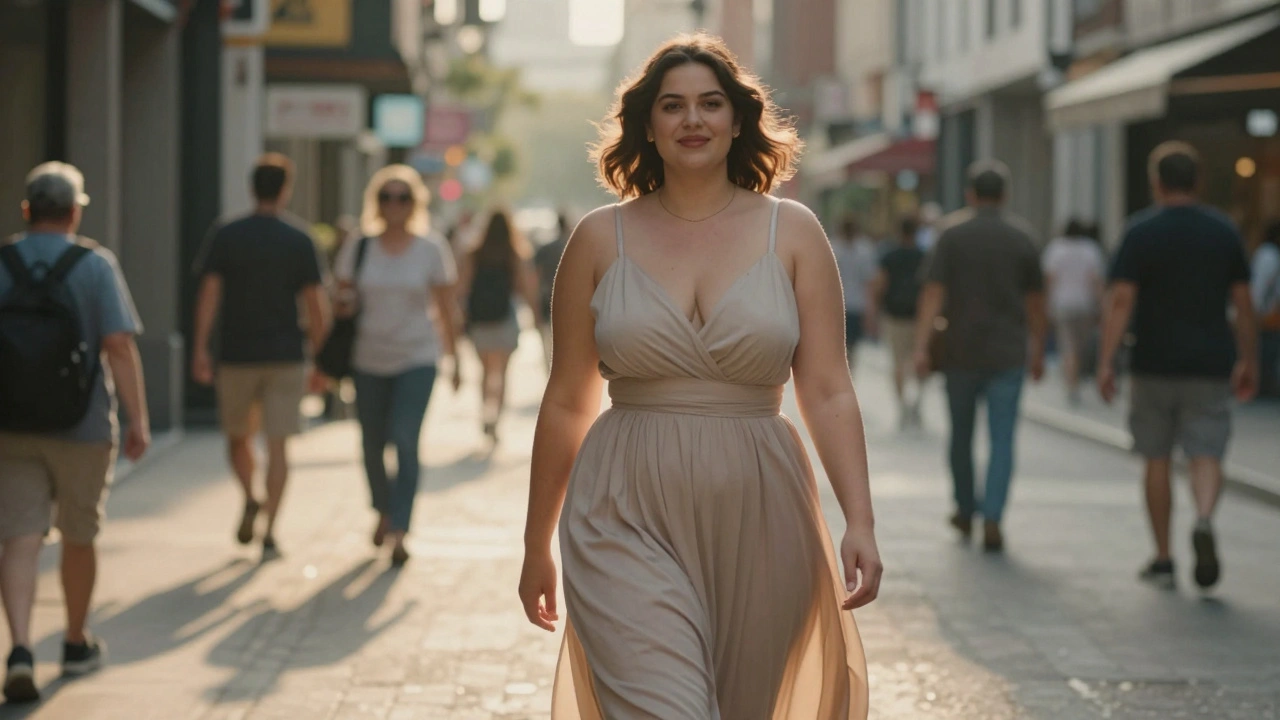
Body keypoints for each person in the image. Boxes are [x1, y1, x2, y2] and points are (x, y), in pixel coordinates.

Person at [518, 33, 877, 718]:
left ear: (737, 120)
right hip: (621, 506)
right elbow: (567, 400)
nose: (693, 120)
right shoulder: (598, 238)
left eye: (711, 104)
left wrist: (859, 519)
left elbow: (828, 389)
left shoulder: (794, 232)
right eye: (673, 105)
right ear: (646, 126)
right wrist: (538, 541)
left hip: (763, 507)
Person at [0, 162, 149, 702]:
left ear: (25, 211)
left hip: (10, 424)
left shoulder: (3, 261)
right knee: (80, 533)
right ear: (75, 211)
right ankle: (73, 639)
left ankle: (19, 647)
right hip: (82, 424)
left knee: (18, 536)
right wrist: (138, 419)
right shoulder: (95, 265)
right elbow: (119, 345)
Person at [1098, 142, 1259, 591]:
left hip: (1152, 362)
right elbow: (1243, 303)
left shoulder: (1141, 230)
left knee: (1156, 457)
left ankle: (1164, 557)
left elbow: (1122, 299)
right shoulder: (1223, 230)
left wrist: (1107, 360)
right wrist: (1249, 358)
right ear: (1198, 180)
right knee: (1206, 451)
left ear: (1156, 181)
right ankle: (1204, 518)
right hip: (1210, 361)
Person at [193, 153, 330, 561]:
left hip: (236, 354)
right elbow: (315, 303)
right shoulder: (300, 239)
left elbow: (210, 294)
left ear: (253, 188)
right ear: (285, 190)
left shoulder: (227, 235)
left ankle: (251, 498)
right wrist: (321, 359)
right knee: (279, 446)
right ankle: (270, 529)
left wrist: (200, 347)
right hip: (286, 355)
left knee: (238, 438)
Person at [329, 164, 460, 568]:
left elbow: (444, 306)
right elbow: (342, 295)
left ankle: (401, 528)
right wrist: (342, 303)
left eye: (402, 197)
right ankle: (382, 510)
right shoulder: (359, 245)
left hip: (417, 357)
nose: (394, 205)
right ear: (377, 203)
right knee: (371, 443)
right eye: (387, 197)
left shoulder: (431, 248)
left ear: (415, 203)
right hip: (368, 358)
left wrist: (454, 359)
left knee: (404, 439)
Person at [913, 160, 1047, 553]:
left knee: (961, 435)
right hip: (1008, 352)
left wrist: (921, 346)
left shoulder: (951, 236)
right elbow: (1036, 302)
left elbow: (932, 294)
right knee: (1003, 438)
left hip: (960, 351)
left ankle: (964, 507)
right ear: (1004, 196)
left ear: (970, 194)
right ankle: (993, 516)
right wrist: (1037, 348)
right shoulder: (1022, 238)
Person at [460, 210, 543, 442]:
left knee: (485, 372)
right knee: (503, 373)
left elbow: (462, 288)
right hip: (505, 319)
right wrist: (536, 318)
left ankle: (485, 412)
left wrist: (461, 317)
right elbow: (525, 289)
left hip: (480, 321)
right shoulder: (514, 253)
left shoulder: (474, 253)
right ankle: (496, 419)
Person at [868, 215, 927, 429]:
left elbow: (879, 285)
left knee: (898, 362)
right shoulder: (924, 255)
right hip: (920, 317)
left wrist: (873, 313)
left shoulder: (889, 256)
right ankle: (918, 401)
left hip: (894, 315)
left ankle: (902, 404)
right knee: (920, 361)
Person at [1042, 218, 1106, 405]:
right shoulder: (1090, 249)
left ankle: (1072, 384)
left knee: (1068, 346)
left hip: (1062, 304)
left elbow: (1050, 279)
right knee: (1080, 346)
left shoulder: (1056, 249)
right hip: (1084, 304)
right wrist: (1101, 304)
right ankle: (1074, 380)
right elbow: (1096, 280)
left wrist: (1046, 303)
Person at [831, 213, 880, 373]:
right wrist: (871, 311)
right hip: (856, 304)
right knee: (850, 345)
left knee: (840, 345)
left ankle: (844, 372)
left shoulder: (833, 248)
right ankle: (848, 372)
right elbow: (870, 284)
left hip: (838, 304)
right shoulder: (864, 250)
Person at [533, 211, 570, 372]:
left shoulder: (546, 248)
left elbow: (535, 275)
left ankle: (551, 371)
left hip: (546, 297)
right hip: (569, 300)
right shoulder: (573, 245)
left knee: (548, 340)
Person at [1252, 220, 1280, 397]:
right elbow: (1259, 288)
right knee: (1266, 353)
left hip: (1268, 316)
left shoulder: (1268, 254)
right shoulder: (1269, 255)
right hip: (1266, 316)